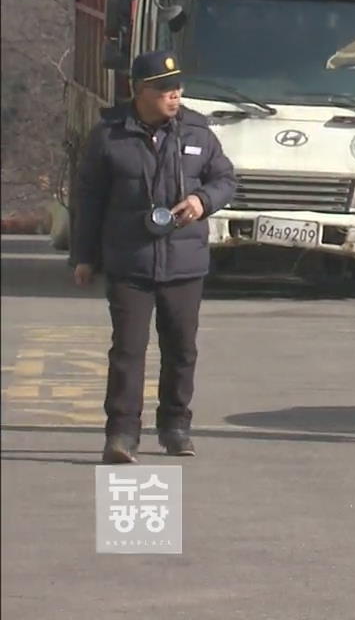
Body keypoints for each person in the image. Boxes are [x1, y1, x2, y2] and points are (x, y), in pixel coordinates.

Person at [71, 50, 237, 464]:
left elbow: (226, 179)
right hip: (130, 261)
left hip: (184, 263)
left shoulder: (198, 133)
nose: (174, 95)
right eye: (164, 89)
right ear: (139, 90)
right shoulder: (110, 134)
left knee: (181, 348)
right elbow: (88, 199)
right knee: (128, 350)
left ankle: (176, 426)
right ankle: (122, 434)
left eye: (177, 87)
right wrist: (84, 256)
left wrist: (203, 201)